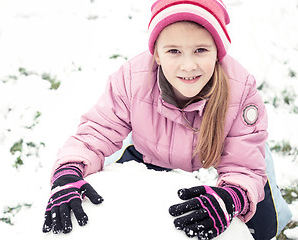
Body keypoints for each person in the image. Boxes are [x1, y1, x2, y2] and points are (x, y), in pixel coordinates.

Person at [42, 0, 280, 239]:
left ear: (218, 51)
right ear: (156, 53)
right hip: (151, 150)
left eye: (201, 50)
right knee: (124, 210)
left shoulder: (240, 91)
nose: (188, 65)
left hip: (225, 146)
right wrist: (68, 171)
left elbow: (244, 165)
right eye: (173, 51)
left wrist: (233, 197)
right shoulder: (132, 80)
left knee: (263, 226)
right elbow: (97, 132)